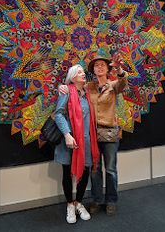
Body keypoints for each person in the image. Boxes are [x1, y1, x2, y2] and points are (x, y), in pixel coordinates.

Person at [59, 53, 127, 216]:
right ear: (93, 70)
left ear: (108, 68)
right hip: (91, 135)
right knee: (95, 170)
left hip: (110, 133)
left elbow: (124, 83)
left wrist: (119, 69)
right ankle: (96, 200)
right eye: (97, 65)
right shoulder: (88, 87)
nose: (100, 67)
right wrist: (61, 87)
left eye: (103, 64)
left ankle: (111, 201)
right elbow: (73, 89)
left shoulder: (113, 85)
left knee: (110, 170)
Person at [54, 64, 99, 224]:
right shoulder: (66, 91)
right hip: (69, 141)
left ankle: (79, 203)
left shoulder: (87, 94)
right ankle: (69, 205)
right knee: (67, 173)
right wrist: (67, 134)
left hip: (86, 141)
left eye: (83, 72)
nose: (83, 74)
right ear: (72, 77)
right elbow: (58, 114)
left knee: (85, 172)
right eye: (79, 72)